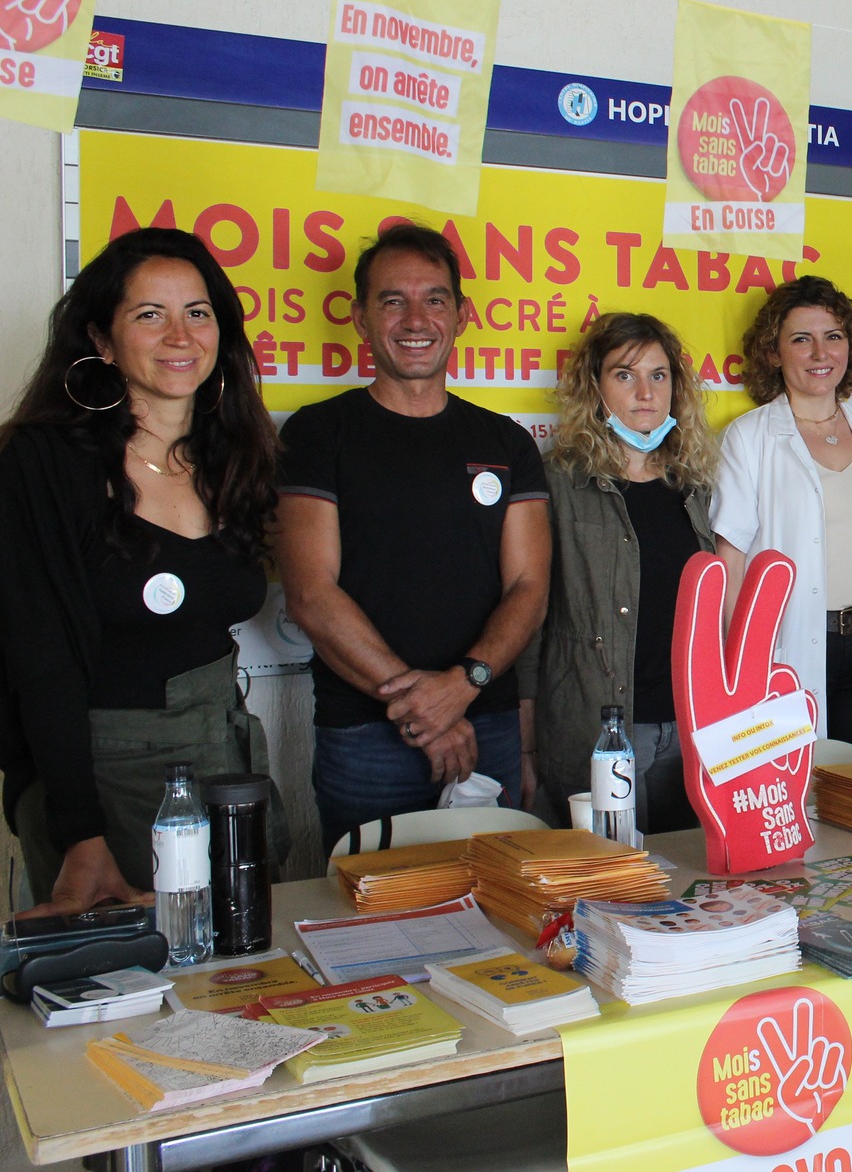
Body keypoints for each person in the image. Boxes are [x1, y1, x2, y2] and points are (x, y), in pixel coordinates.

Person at [0, 229, 278, 912]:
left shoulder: (233, 457)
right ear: (101, 338)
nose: (180, 335)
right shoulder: (41, 462)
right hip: (100, 778)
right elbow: (37, 658)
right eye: (149, 314)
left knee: (236, 978)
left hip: (224, 757)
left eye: (199, 312)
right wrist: (78, 831)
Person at [277, 224, 551, 852]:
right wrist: (423, 709)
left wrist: (462, 686)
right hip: (365, 738)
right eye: (391, 300)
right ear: (360, 318)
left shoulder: (505, 442)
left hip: (489, 724)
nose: (414, 318)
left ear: (462, 315)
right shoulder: (319, 435)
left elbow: (529, 587)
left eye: (434, 298)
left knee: (497, 912)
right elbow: (311, 595)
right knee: (366, 919)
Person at [711, 276, 852, 762]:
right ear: (773, 353)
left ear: (850, 348)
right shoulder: (748, 439)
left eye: (833, 337)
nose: (821, 352)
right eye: (801, 339)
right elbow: (730, 564)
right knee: (791, 793)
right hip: (788, 647)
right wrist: (740, 668)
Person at [521, 313, 717, 833]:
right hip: (600, 728)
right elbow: (528, 618)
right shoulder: (559, 482)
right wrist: (524, 744)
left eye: (659, 375)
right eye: (625, 375)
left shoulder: (695, 485)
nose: (645, 392)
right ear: (596, 387)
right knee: (615, 887)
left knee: (692, 882)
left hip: (692, 724)